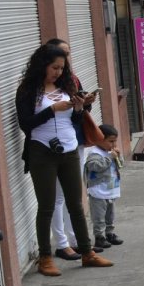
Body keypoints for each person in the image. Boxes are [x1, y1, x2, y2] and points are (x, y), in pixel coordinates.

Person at [14, 44, 113, 276]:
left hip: (69, 149)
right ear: (42, 65)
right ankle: (46, 258)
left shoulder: (66, 86)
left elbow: (75, 120)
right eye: (54, 67)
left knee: (75, 204)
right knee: (47, 205)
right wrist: (52, 110)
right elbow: (26, 125)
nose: (58, 72)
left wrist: (80, 107)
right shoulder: (28, 90)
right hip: (42, 151)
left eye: (61, 68)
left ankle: (88, 253)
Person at [43, 38, 97, 259]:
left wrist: (84, 103)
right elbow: (28, 121)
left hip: (73, 142)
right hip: (48, 150)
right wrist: (53, 109)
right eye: (59, 58)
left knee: (74, 197)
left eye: (67, 55)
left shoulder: (69, 80)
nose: (64, 62)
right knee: (54, 199)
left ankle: (78, 242)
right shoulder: (36, 88)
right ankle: (60, 244)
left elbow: (77, 112)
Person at [83, 124, 123, 248]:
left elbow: (120, 165)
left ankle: (109, 233)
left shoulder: (110, 152)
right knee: (99, 216)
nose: (113, 144)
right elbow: (94, 166)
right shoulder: (94, 153)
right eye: (110, 141)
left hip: (110, 189)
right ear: (100, 139)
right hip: (98, 191)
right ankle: (99, 237)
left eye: (115, 141)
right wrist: (109, 158)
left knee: (110, 215)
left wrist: (118, 157)